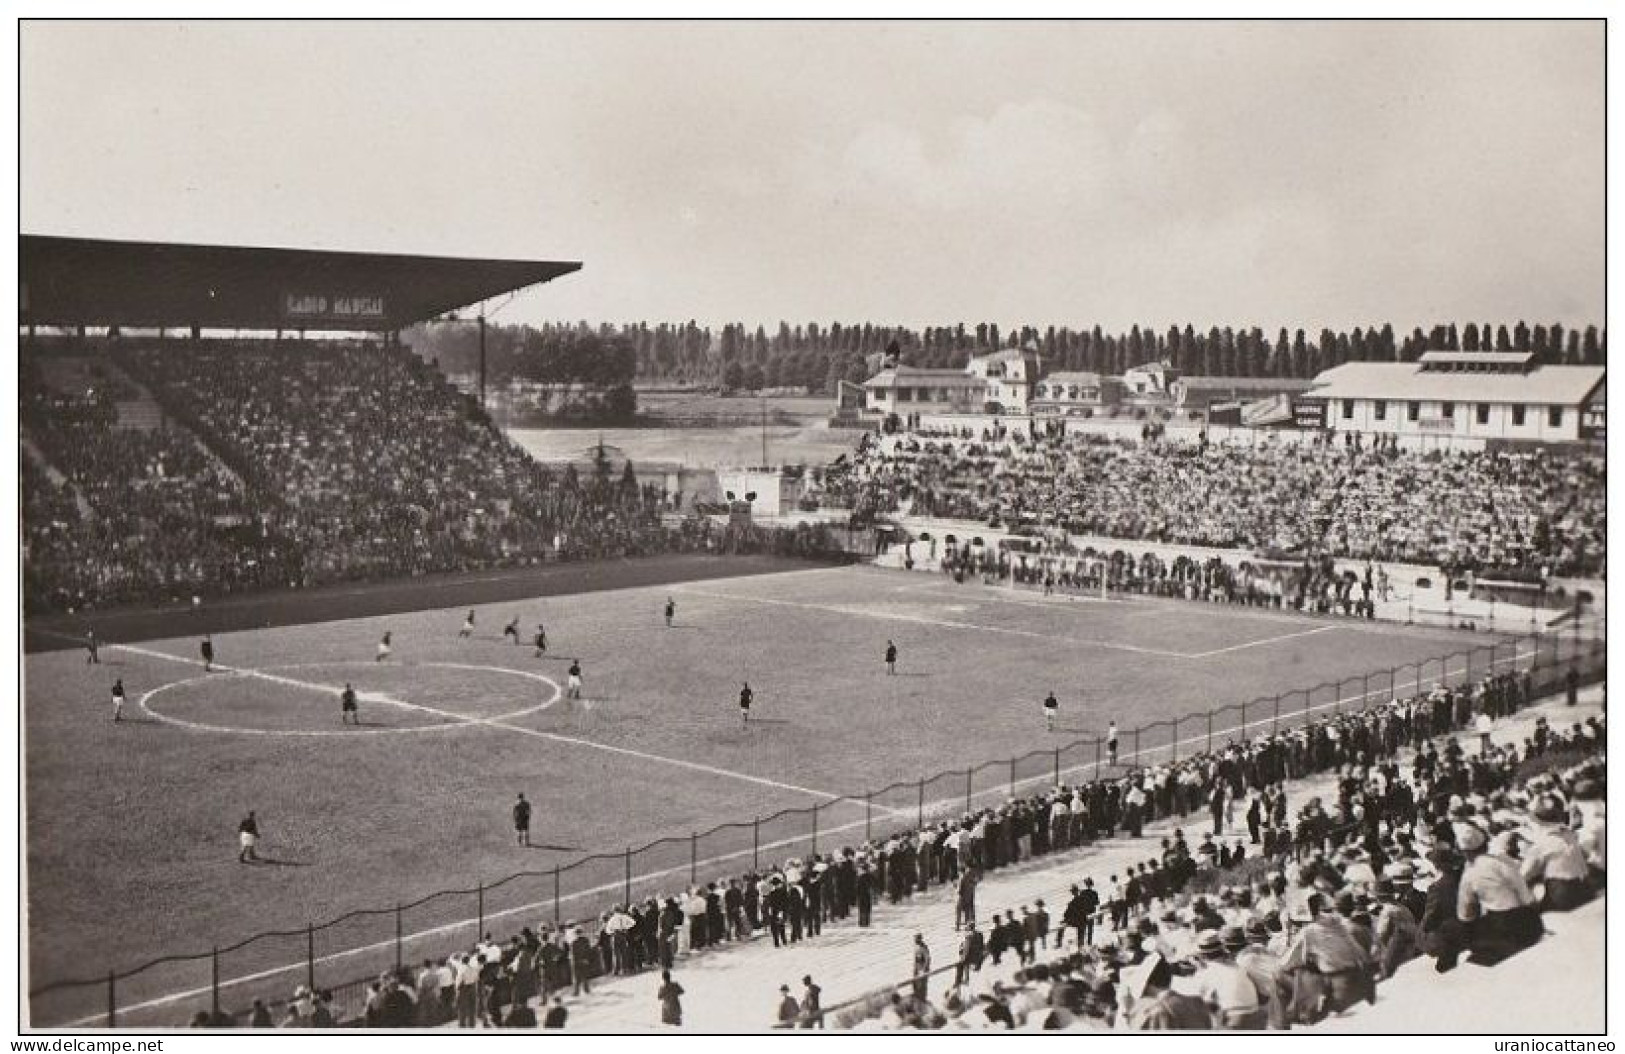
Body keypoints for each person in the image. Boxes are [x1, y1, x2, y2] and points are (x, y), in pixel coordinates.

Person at [911, 933, 931, 1000]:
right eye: (915, 938)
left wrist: (924, 969)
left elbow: (927, 959)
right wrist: (915, 969)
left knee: (922, 985)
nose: (914, 940)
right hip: (917, 968)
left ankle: (922, 998)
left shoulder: (924, 948)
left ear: (919, 939)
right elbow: (916, 959)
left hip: (922, 969)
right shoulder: (917, 947)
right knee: (915, 984)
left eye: (916, 939)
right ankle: (917, 997)